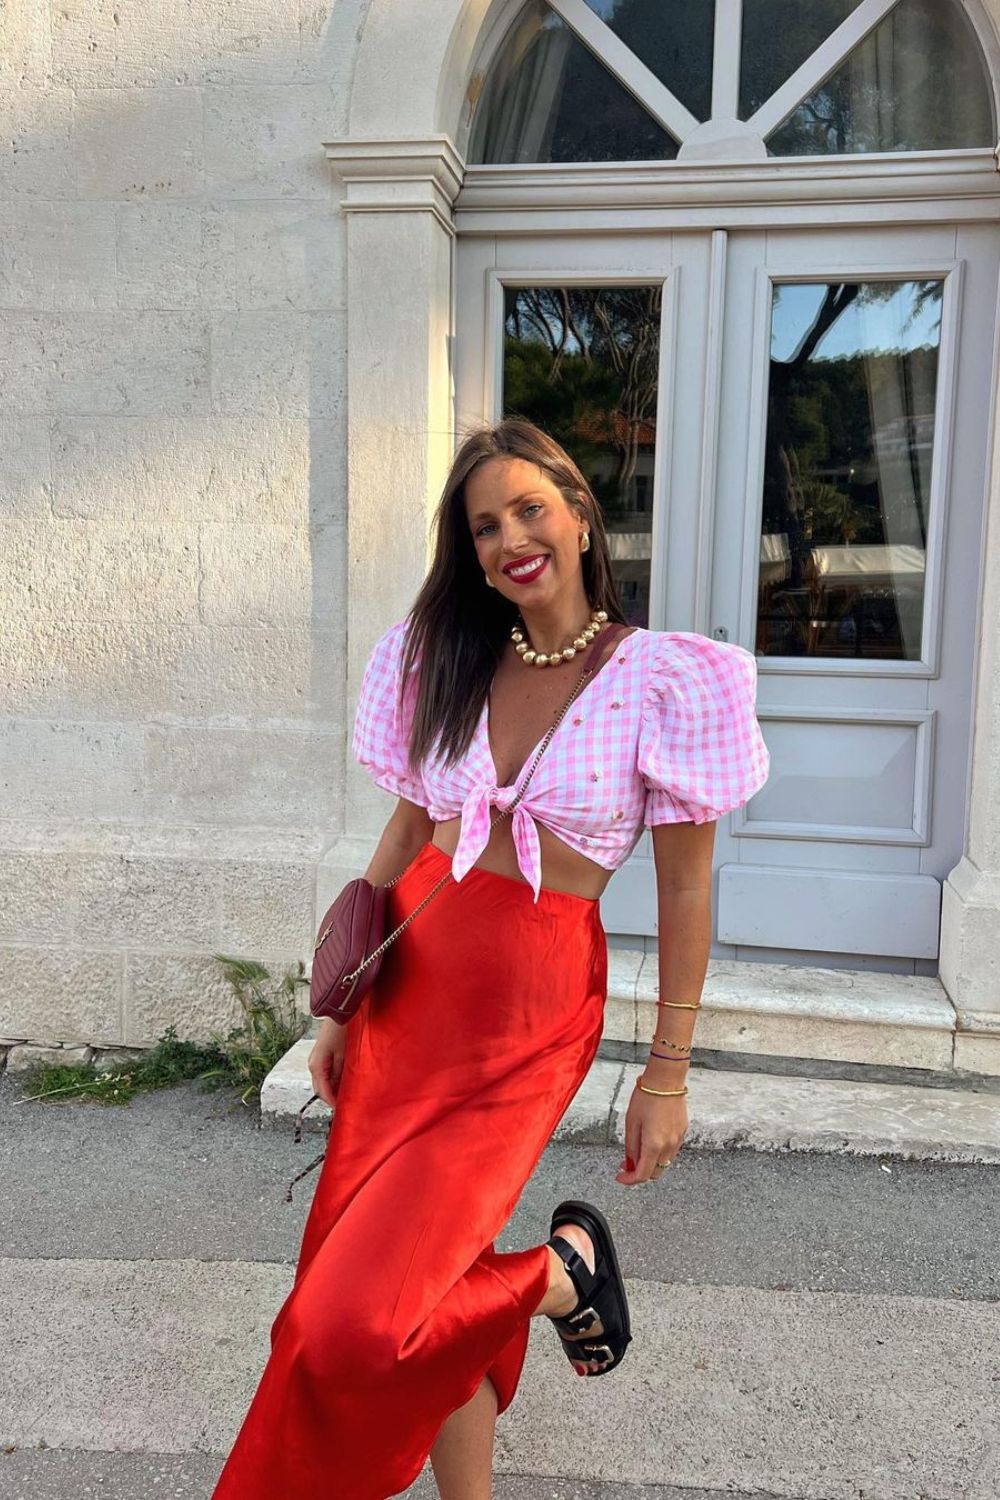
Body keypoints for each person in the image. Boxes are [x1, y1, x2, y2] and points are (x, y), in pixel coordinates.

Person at [210, 417, 771, 1500]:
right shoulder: (452, 655)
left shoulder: (663, 678)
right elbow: (409, 828)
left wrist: (667, 1072)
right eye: (481, 527)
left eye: (527, 509)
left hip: (526, 1014)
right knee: (408, 1280)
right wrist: (336, 1004)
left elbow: (688, 888)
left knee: (356, 1323)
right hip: (406, 996)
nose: (509, 538)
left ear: (575, 512)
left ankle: (565, 1275)